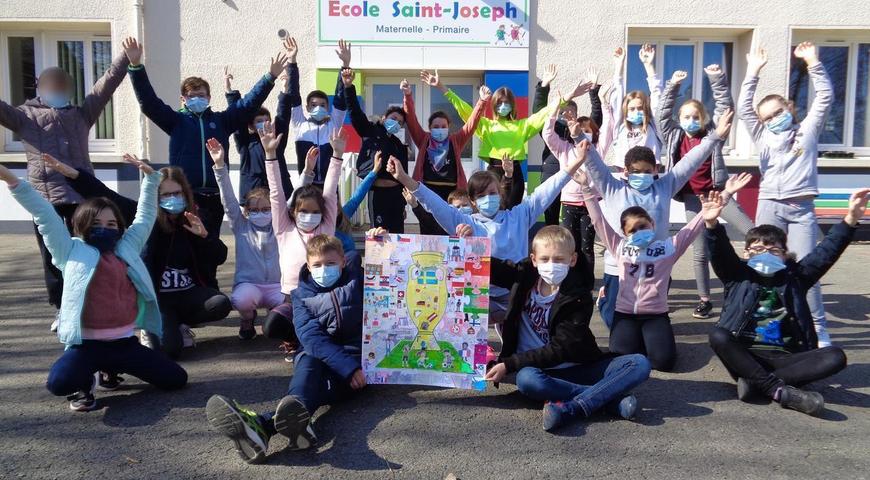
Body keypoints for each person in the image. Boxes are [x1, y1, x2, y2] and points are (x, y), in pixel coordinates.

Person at [0, 157, 187, 412]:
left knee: (176, 379)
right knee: (59, 383)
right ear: (81, 225)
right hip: (86, 346)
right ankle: (85, 381)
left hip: (124, 344)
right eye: (96, 224)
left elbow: (144, 217)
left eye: (111, 224)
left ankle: (111, 370)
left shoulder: (126, 247)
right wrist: (12, 180)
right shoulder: (69, 250)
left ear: (119, 228)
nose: (104, 229)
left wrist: (151, 180)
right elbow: (44, 214)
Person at [388, 106, 589, 330]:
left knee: (517, 340)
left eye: (492, 193)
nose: (488, 198)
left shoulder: (519, 216)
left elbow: (547, 190)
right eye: (481, 195)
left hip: (516, 295)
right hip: (479, 296)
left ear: (501, 194)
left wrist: (576, 162)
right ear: (473, 201)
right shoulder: (467, 223)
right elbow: (434, 204)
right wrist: (404, 178)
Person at [705, 188, 868, 415]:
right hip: (746, 356)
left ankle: (756, 384)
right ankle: (777, 390)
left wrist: (850, 219)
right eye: (758, 249)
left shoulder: (796, 277)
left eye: (773, 250)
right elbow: (720, 253)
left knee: (835, 356)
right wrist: (712, 225)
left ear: (784, 254)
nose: (765, 254)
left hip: (789, 359)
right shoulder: (737, 276)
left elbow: (826, 252)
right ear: (746, 253)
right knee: (718, 335)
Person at [206, 234, 364, 464]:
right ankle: (297, 425)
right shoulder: (300, 296)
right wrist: (348, 367)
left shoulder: (357, 280)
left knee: (316, 390)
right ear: (308, 266)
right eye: (317, 265)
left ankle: (263, 427)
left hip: (354, 363)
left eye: (330, 263)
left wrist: (381, 242)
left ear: (343, 261)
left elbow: (388, 271)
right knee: (308, 363)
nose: (324, 269)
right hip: (322, 357)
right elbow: (311, 338)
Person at [0, 38, 131, 312]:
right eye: (52, 87)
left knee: (86, 250)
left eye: (62, 87)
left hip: (81, 196)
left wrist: (125, 58)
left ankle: (87, 300)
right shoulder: (25, 116)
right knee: (52, 254)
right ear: (40, 87)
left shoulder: (80, 115)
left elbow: (104, 87)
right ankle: (61, 306)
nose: (58, 91)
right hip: (45, 199)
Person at [482, 225, 651, 432]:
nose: (551, 265)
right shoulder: (524, 275)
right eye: (545, 259)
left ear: (572, 259)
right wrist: (469, 244)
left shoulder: (578, 296)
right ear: (534, 260)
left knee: (639, 363)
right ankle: (608, 400)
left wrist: (509, 364)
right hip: (537, 370)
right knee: (527, 380)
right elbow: (493, 268)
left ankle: (575, 406)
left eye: (559, 259)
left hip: (576, 366)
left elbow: (561, 348)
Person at [586, 96, 735, 329]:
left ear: (656, 170)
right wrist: (579, 138)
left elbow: (690, 161)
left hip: (657, 266)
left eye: (647, 171)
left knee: (649, 316)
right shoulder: (613, 188)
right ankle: (605, 300)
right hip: (619, 269)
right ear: (625, 172)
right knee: (616, 321)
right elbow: (595, 164)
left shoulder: (664, 186)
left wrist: (715, 137)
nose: (642, 175)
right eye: (636, 171)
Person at [122, 37, 287, 240]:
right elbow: (149, 103)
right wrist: (136, 66)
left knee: (209, 246)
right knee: (183, 244)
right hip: (186, 196)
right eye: (191, 96)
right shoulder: (176, 121)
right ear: (183, 99)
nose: (196, 99)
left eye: (201, 95)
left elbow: (247, 104)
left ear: (209, 98)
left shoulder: (221, 121)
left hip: (215, 197)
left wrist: (270, 77)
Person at [582, 168, 740, 371]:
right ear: (624, 233)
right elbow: (598, 221)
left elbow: (691, 229)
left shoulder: (667, 248)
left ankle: (647, 340)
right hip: (625, 314)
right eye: (633, 230)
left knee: (663, 363)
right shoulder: (619, 247)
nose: (639, 231)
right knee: (620, 361)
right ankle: (607, 304)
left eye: (643, 226)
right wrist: (586, 189)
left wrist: (725, 195)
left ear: (652, 224)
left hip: (655, 315)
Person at [738, 42, 834, 346]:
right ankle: (765, 320)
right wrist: (753, 70)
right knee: (765, 266)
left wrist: (812, 62)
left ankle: (818, 328)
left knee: (807, 270)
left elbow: (825, 97)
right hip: (770, 206)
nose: (773, 119)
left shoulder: (807, 131)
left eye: (777, 113)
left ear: (789, 108)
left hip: (801, 209)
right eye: (767, 117)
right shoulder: (762, 136)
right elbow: (743, 108)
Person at [657, 64, 755, 319]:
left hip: (720, 194)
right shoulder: (674, 136)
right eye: (686, 116)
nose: (690, 121)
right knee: (700, 252)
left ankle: (760, 282)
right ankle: (704, 300)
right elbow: (662, 114)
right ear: (679, 119)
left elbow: (725, 108)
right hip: (694, 200)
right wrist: (673, 85)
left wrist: (717, 78)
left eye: (695, 117)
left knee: (752, 233)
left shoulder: (713, 134)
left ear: (703, 118)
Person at [432, 69, 591, 195]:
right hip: (493, 173)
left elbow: (544, 113)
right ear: (494, 104)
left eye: (506, 103)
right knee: (493, 213)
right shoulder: (486, 125)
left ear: (512, 105)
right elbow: (464, 110)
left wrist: (568, 96)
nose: (503, 106)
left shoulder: (522, 126)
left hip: (515, 174)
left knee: (514, 214)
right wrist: (442, 87)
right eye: (500, 103)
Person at [258, 121, 343, 354]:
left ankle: (317, 342)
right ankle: (295, 339)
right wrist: (270, 155)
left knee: (332, 329)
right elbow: (276, 194)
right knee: (272, 326)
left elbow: (330, 191)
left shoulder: (326, 228)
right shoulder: (284, 228)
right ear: (293, 212)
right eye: (304, 211)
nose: (309, 215)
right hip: (291, 296)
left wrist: (336, 155)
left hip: (323, 295)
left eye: (315, 212)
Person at [143, 167, 231, 357]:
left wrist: (205, 236)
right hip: (158, 299)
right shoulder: (148, 223)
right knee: (169, 351)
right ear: (156, 198)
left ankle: (180, 324)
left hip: (187, 293)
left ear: (185, 193)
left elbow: (220, 256)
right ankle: (152, 326)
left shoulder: (195, 218)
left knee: (221, 304)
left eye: (177, 193)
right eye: (166, 195)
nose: (172, 198)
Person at [207, 138, 282, 340]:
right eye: (255, 210)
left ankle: (274, 318)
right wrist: (220, 166)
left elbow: (287, 198)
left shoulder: (280, 226)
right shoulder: (241, 226)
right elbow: (228, 200)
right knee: (241, 300)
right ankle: (247, 319)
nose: (261, 213)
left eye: (266, 209)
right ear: (247, 211)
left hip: (277, 285)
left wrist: (307, 173)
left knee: (291, 302)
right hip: (249, 284)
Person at [403, 74, 490, 220]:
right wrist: (407, 95)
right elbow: (411, 120)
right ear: (430, 128)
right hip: (428, 191)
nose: (440, 129)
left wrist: (482, 101)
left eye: (443, 126)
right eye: (436, 126)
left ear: (448, 127)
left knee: (451, 226)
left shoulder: (455, 140)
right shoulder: (424, 139)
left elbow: (471, 124)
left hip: (452, 194)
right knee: (428, 225)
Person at [532, 64, 603, 227]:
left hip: (575, 180)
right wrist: (544, 87)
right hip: (552, 173)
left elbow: (596, 119)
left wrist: (594, 92)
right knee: (551, 216)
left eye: (570, 112)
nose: (566, 115)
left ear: (576, 115)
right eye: (562, 112)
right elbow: (538, 114)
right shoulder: (552, 129)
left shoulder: (581, 133)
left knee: (571, 222)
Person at [343, 68, 410, 233]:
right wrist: (349, 87)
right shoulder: (370, 130)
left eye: (400, 122)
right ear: (384, 118)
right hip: (377, 193)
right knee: (378, 235)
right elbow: (355, 112)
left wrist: (404, 204)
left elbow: (404, 177)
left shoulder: (399, 145)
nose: (396, 123)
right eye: (394, 118)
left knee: (397, 235)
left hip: (396, 196)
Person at [288, 38, 351, 188]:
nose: (318, 107)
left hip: (329, 186)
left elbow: (340, 97)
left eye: (322, 105)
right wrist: (292, 62)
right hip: (306, 186)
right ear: (307, 107)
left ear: (328, 107)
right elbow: (294, 93)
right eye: (314, 105)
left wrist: (345, 64)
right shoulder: (300, 124)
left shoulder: (334, 124)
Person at [223, 63, 291, 200]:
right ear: (251, 126)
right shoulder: (245, 142)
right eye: (259, 120)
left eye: (267, 120)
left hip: (279, 194)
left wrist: (285, 90)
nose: (264, 123)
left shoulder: (277, 140)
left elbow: (283, 116)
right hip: (252, 196)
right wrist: (229, 91)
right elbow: (238, 115)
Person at [608, 45, 662, 169]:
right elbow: (616, 96)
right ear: (625, 111)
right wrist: (619, 65)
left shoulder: (653, 127)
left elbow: (657, 96)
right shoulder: (620, 127)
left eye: (640, 108)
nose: (636, 111)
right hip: (625, 176)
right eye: (632, 109)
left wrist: (649, 65)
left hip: (650, 176)